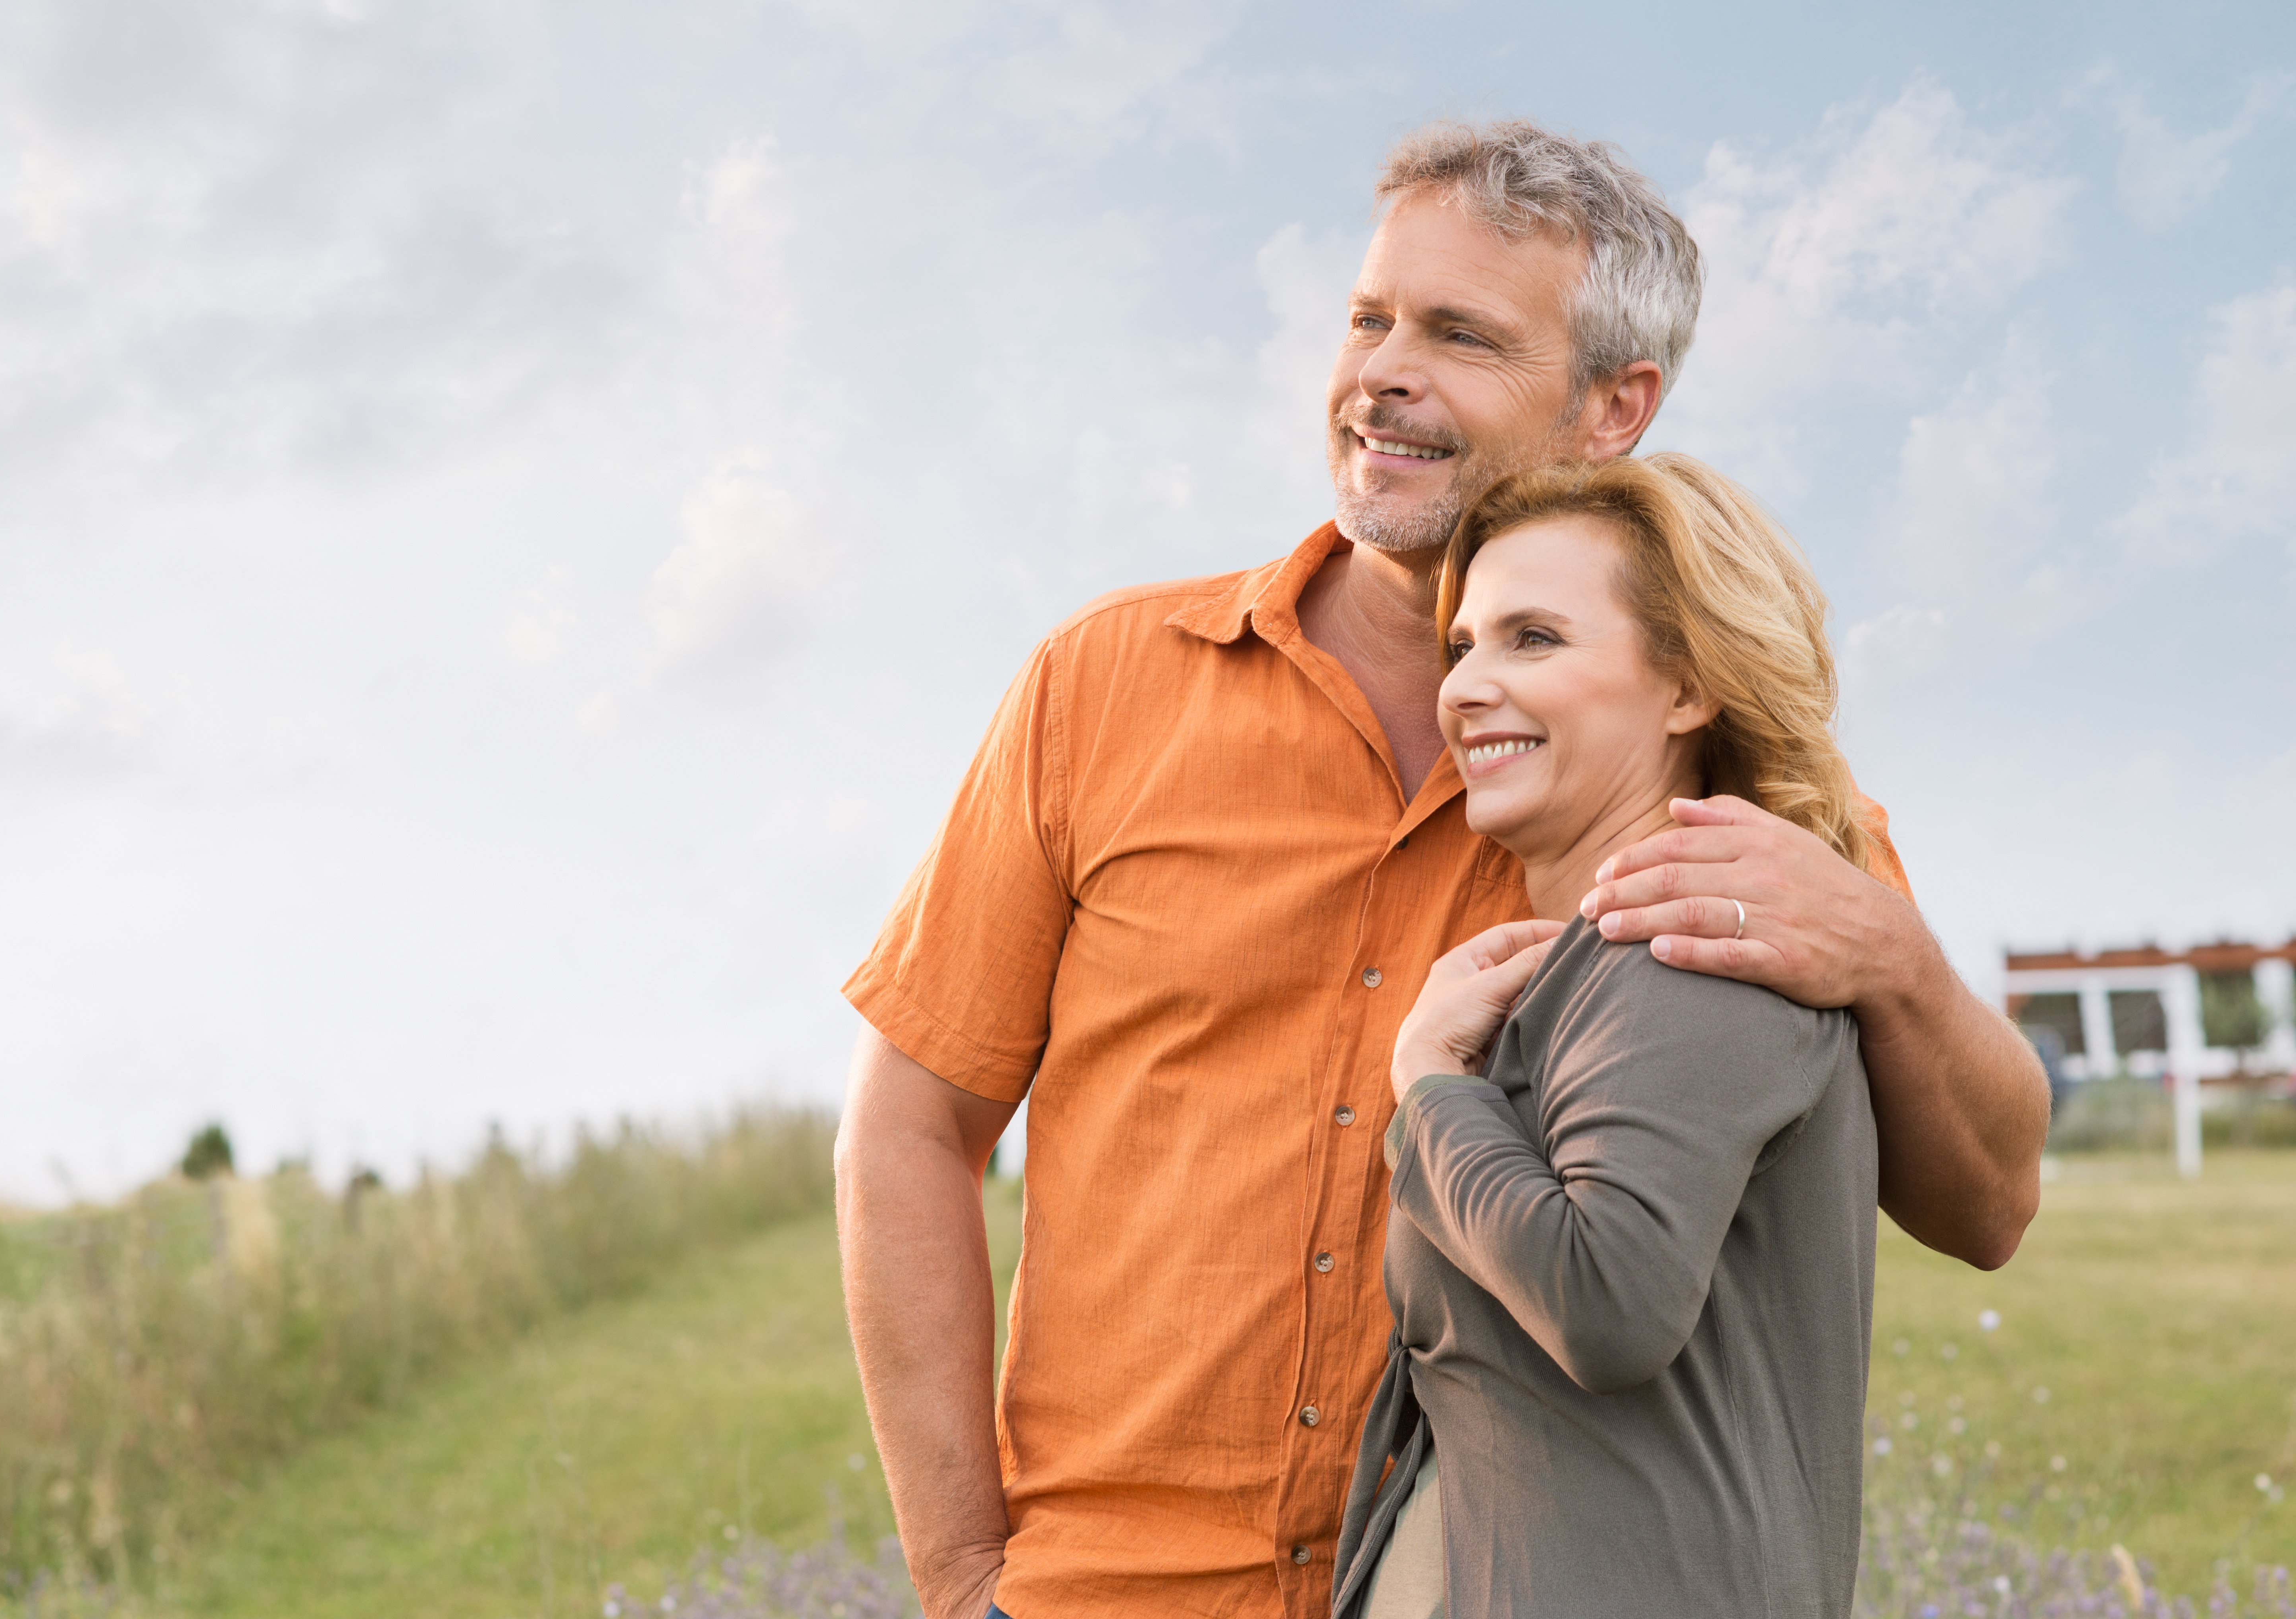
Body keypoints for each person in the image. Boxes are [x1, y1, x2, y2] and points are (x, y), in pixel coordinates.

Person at [836, 118, 2048, 1619]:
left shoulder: (1741, 801)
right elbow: (910, 1125)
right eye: (1369, 319)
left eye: (1459, 335)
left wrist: (1895, 961)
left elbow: (1988, 1208)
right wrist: (961, 1579)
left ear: (1616, 404)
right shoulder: (1101, 687)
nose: (1380, 374)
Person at [1335, 452, 1881, 1619]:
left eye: (1534, 639)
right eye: (1464, 645)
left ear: (1686, 686)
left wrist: (1429, 1085)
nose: (1468, 686)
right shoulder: (1599, 963)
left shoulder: (1687, 946)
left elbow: (1606, 1300)